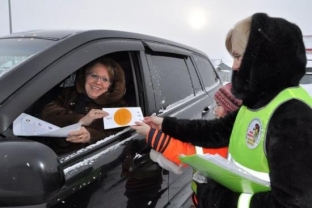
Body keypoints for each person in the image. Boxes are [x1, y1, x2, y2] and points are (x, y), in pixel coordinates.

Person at [131, 13, 312, 208]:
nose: (233, 66)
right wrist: (166, 124)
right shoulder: (257, 103)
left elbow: (293, 204)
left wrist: (218, 199)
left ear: (263, 57)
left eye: (237, 56)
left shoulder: (292, 115)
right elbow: (215, 131)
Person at [131, 83, 242, 207]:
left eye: (219, 105)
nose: (214, 109)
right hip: (203, 198)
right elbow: (193, 133)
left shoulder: (224, 142)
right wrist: (163, 126)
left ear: (231, 111)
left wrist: (149, 134)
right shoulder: (223, 133)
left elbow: (187, 152)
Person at [41, 57, 127, 154]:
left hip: (87, 161)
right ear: (85, 77)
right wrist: (80, 120)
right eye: (94, 75)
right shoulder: (69, 93)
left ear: (111, 85)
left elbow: (121, 137)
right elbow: (47, 112)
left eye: (105, 79)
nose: (98, 82)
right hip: (51, 152)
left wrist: (90, 136)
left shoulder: (119, 107)